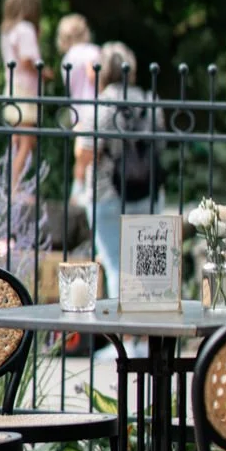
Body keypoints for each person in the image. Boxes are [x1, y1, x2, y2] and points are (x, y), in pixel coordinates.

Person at [91, 41, 161, 299]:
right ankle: (146, 338)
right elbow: (160, 144)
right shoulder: (149, 100)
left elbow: (87, 151)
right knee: (149, 270)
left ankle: (125, 337)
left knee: (117, 266)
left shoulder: (103, 103)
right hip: (148, 192)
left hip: (109, 193)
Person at [0, 0, 49, 185]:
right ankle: (15, 187)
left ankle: (11, 183)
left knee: (18, 140)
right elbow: (27, 59)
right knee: (27, 141)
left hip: (12, 88)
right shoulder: (25, 29)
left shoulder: (7, 30)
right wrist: (45, 72)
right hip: (25, 91)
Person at [56, 13, 102, 204]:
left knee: (81, 153)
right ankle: (88, 194)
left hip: (78, 112)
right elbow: (94, 74)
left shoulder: (67, 59)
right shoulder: (92, 51)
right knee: (96, 154)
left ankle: (77, 192)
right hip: (96, 109)